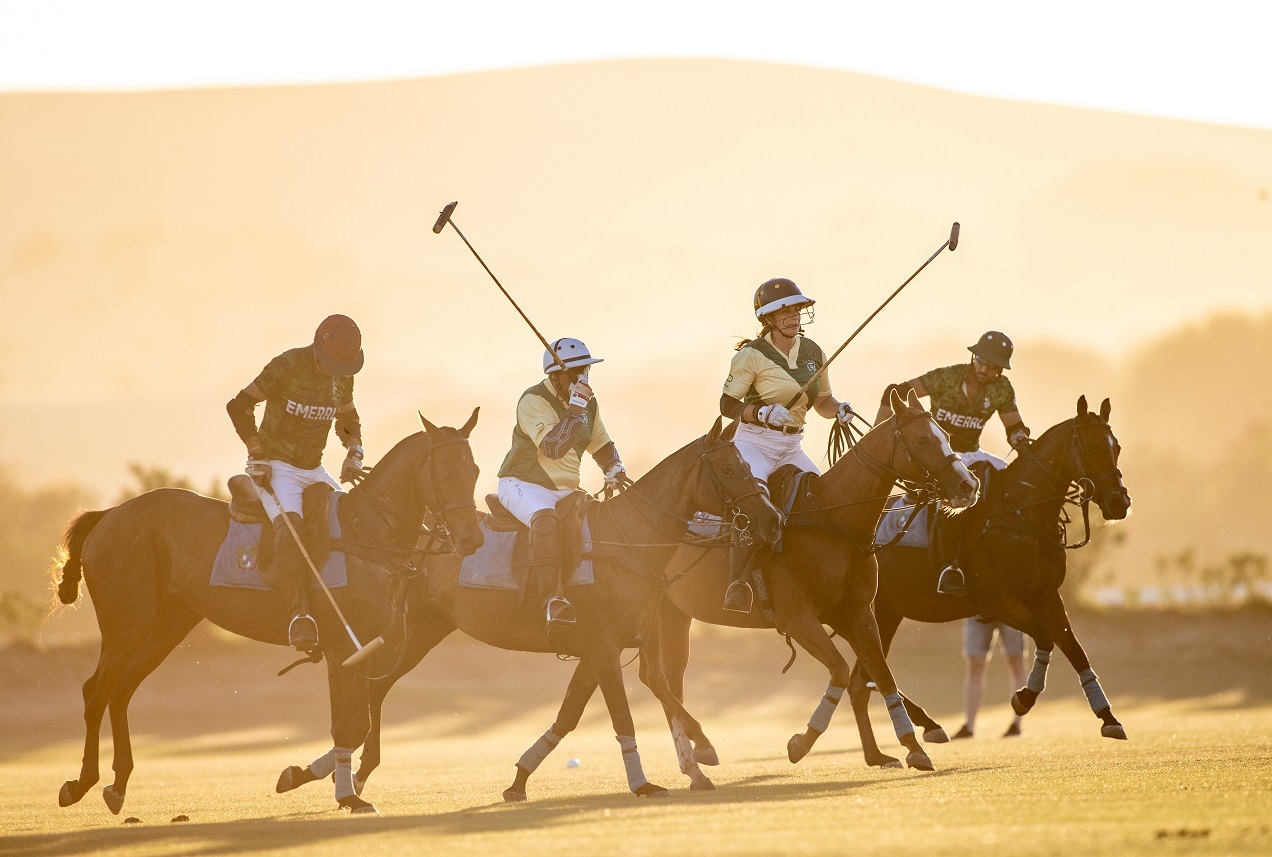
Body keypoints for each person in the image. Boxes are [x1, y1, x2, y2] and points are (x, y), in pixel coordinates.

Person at [226, 314, 367, 653]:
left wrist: (354, 451)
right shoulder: (287, 366)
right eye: (331, 364)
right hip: (277, 467)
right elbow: (239, 405)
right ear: (318, 347)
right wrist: (256, 452)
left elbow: (347, 417)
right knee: (292, 534)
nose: (334, 371)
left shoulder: (342, 376)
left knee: (354, 519)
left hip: (314, 468)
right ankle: (299, 618)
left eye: (342, 367)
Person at [718, 277, 854, 612]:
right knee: (754, 506)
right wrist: (761, 413)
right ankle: (738, 583)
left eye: (797, 310)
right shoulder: (751, 355)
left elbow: (822, 401)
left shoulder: (814, 352)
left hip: (792, 446)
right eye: (785, 312)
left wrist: (839, 410)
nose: (794, 317)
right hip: (754, 443)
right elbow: (726, 405)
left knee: (825, 505)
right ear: (768, 318)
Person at [875, 330, 1031, 596]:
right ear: (973, 357)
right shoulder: (947, 377)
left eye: (993, 366)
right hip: (939, 456)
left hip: (972, 453)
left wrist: (1021, 439)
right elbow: (895, 391)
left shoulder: (1002, 388)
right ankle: (949, 566)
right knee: (956, 494)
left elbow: (1014, 426)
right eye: (981, 361)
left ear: (1000, 370)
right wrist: (879, 432)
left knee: (1011, 485)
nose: (984, 370)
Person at [496, 337, 627, 632]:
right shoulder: (533, 400)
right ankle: (551, 601)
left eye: (586, 370)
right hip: (523, 484)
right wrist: (576, 407)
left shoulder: (588, 405)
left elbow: (601, 444)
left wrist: (614, 466)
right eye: (576, 371)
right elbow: (553, 447)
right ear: (555, 375)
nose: (583, 377)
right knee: (545, 521)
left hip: (565, 491)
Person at [953, 616, 1028, 739]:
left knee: (1016, 661)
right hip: (978, 611)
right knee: (975, 664)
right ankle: (969, 726)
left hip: (1010, 610)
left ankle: (1017, 724)